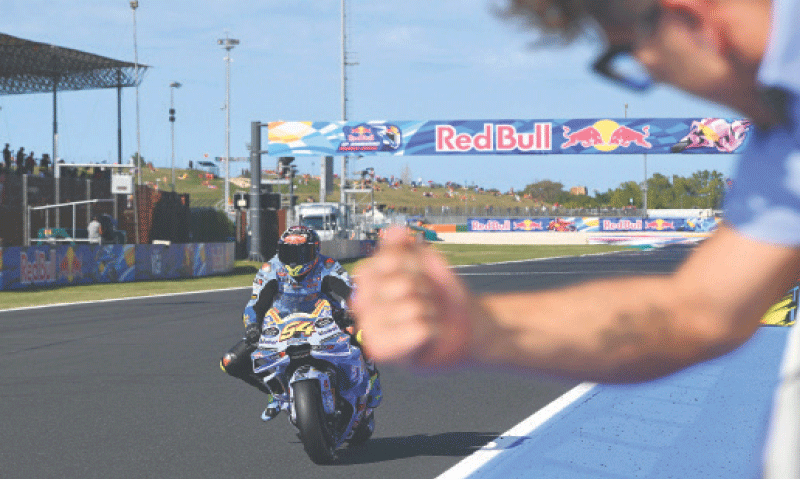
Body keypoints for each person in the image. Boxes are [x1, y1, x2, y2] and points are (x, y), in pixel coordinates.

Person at [351, 0, 799, 475]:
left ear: (688, 16)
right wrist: (479, 325)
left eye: (628, 55)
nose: (655, 77)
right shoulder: (784, 142)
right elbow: (695, 313)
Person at [220, 225, 382, 419]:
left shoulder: (326, 265)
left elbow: (350, 290)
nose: (295, 258)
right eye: (288, 252)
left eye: (302, 252)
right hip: (281, 325)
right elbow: (255, 303)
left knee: (363, 332)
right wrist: (253, 326)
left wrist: (355, 311)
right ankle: (276, 393)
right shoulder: (271, 269)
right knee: (230, 362)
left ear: (315, 250)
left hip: (325, 319)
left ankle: (372, 377)